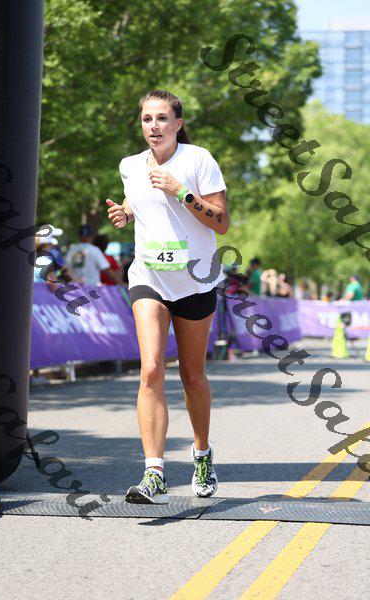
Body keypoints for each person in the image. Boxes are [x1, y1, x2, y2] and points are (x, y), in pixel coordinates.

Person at [106, 89, 229, 504]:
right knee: (150, 369)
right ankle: (154, 471)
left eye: (162, 118)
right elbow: (138, 198)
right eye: (147, 119)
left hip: (195, 281)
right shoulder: (129, 165)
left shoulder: (198, 160)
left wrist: (182, 192)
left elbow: (221, 222)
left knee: (192, 375)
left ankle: (202, 455)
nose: (154, 126)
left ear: (178, 123)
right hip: (149, 279)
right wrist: (125, 212)